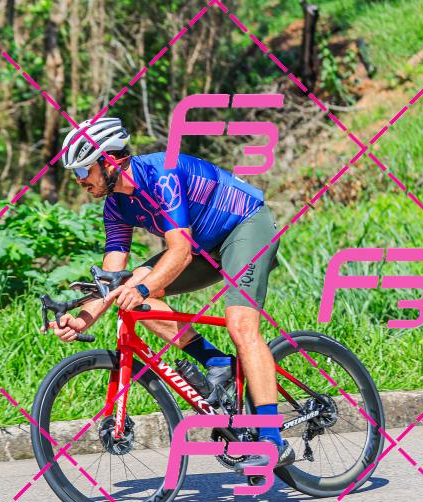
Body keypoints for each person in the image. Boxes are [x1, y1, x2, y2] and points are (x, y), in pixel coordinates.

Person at [47, 116, 294, 471]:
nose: (80, 180)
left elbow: (180, 250)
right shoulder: (116, 205)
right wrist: (83, 318)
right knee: (132, 294)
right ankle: (216, 361)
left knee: (240, 325)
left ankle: (272, 439)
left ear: (110, 161)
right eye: (75, 173)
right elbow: (112, 277)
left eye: (84, 170)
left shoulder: (162, 175)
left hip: (244, 226)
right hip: (203, 247)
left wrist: (142, 286)